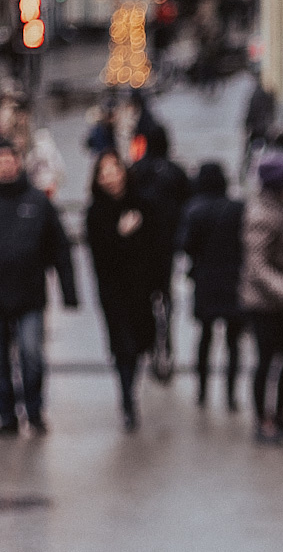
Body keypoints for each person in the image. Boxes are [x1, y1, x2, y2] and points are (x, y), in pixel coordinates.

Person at [0, 136, 78, 436]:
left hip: (29, 295)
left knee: (31, 356)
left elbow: (60, 246)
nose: (6, 166)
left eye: (10, 159)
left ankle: (34, 411)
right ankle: (6, 414)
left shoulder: (37, 201)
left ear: (19, 163)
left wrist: (69, 291)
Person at [240, 154, 283, 444]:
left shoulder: (280, 207)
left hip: (282, 300)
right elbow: (257, 266)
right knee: (266, 361)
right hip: (264, 303)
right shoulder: (261, 214)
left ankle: (281, 413)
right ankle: (262, 420)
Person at [86, 151, 156, 430]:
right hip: (113, 291)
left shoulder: (142, 205)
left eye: (114, 170)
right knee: (122, 345)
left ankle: (131, 387)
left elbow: (155, 247)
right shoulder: (96, 213)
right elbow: (100, 256)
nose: (110, 177)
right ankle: (127, 400)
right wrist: (120, 235)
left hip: (140, 289)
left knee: (140, 342)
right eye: (104, 172)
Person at [179, 162, 244, 411]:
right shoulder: (237, 208)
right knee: (233, 342)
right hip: (233, 280)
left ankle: (202, 392)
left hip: (205, 280)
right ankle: (231, 395)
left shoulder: (194, 210)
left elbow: (184, 245)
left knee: (205, 338)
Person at [128, 124, 190, 383]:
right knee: (166, 294)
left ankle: (151, 342)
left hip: (142, 246)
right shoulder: (175, 172)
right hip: (167, 245)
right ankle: (166, 341)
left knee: (145, 295)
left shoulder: (136, 171)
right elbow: (188, 205)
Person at [241, 70, 277, 179]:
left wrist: (247, 124)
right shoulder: (268, 95)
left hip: (257, 128)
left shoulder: (256, 94)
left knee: (249, 152)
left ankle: (246, 173)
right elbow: (271, 112)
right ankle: (262, 171)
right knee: (265, 150)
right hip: (264, 127)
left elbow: (251, 112)